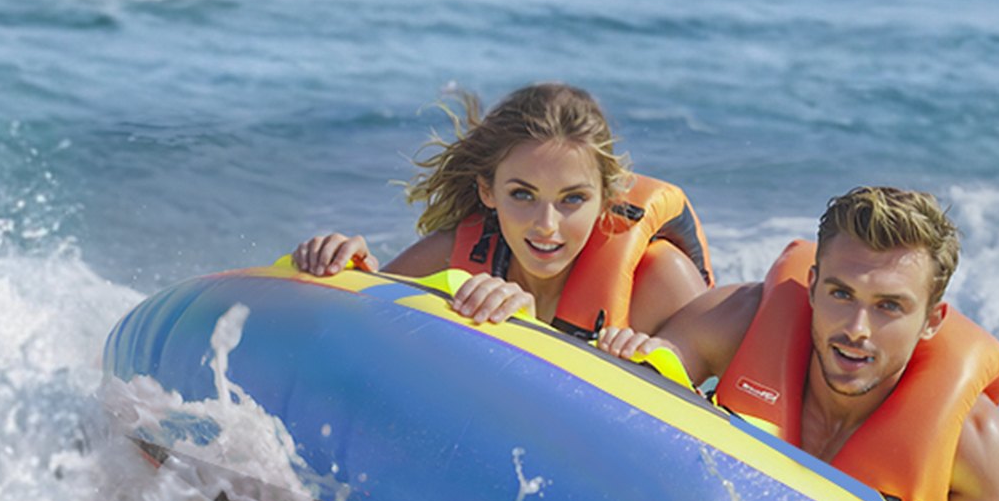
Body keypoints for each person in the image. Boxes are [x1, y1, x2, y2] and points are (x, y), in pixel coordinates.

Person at [599, 186, 999, 501]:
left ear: (932, 321)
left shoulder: (974, 443)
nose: (857, 328)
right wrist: (626, 355)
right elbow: (623, 405)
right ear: (813, 286)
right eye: (842, 294)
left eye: (889, 307)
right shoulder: (740, 319)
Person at [292, 82, 712, 333]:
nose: (546, 225)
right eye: (523, 195)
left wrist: (528, 335)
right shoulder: (456, 256)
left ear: (606, 198)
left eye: (572, 199)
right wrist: (346, 269)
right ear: (488, 192)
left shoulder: (661, 283)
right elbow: (352, 329)